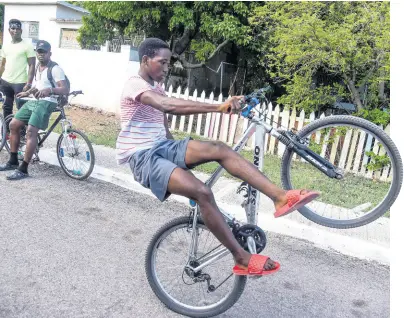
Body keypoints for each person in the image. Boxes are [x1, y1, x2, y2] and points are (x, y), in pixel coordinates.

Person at [116, 38, 319, 276]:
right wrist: (217, 107)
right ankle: (241, 257)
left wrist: (179, 162)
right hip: (143, 158)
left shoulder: (157, 87)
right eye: (162, 62)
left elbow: (164, 127)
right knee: (202, 192)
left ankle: (281, 197)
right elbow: (167, 106)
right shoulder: (135, 85)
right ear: (145, 60)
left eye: (169, 63)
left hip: (162, 147)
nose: (167, 67)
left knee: (219, 148)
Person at [0, 40, 68, 180]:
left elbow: (64, 88)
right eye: (39, 52)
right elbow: (38, 85)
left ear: (50, 53)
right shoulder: (38, 66)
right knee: (13, 124)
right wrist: (27, 92)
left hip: (48, 102)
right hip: (35, 101)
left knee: (31, 131)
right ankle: (13, 161)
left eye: (44, 52)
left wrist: (49, 90)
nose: (41, 55)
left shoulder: (55, 68)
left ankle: (23, 169)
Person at [0, 19, 36, 119]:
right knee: (6, 107)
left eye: (18, 28)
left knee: (22, 109)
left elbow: (32, 65)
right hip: (5, 82)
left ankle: (22, 132)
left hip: (20, 83)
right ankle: (7, 131)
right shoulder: (6, 46)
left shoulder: (27, 46)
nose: (15, 30)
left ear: (21, 31)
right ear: (9, 30)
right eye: (13, 28)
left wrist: (29, 83)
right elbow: (2, 64)